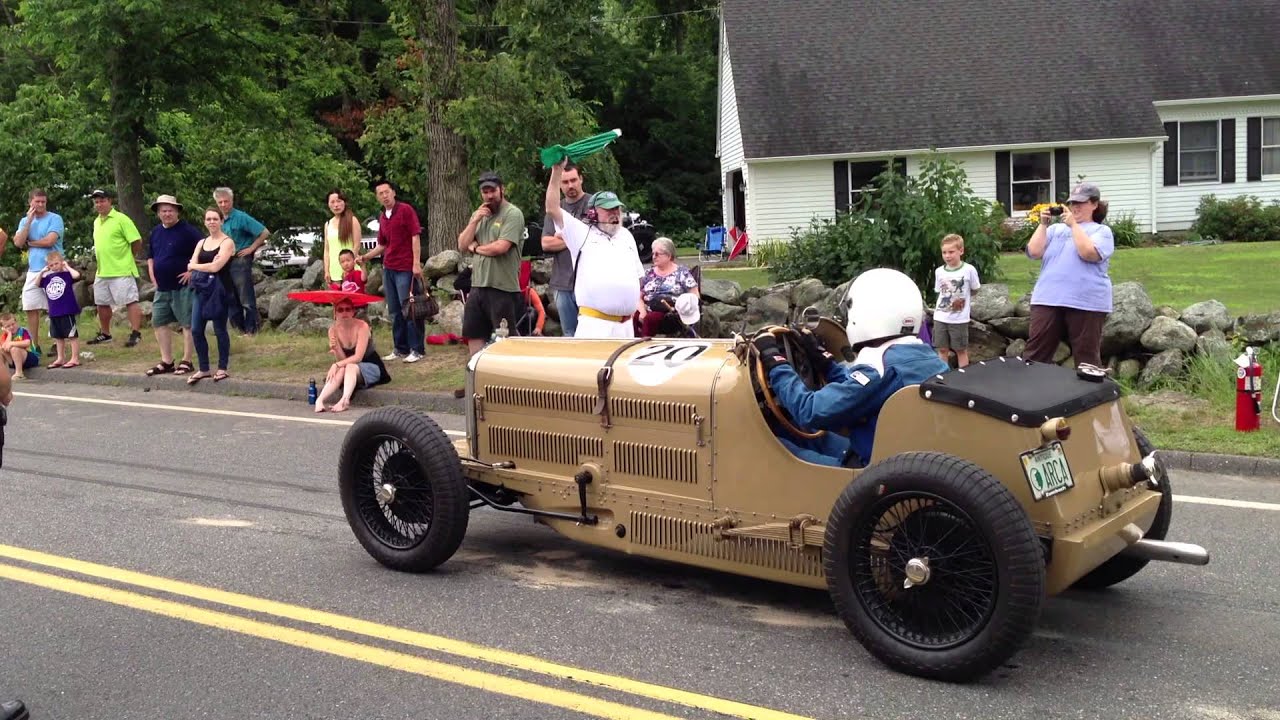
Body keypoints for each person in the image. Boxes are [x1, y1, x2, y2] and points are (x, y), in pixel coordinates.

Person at [752, 268, 950, 468]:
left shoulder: (880, 371)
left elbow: (809, 410)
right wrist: (824, 360)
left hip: (868, 471)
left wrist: (774, 360)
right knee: (799, 432)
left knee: (770, 445)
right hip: (895, 458)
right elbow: (858, 390)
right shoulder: (927, 358)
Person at [543, 161, 645, 339]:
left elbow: (638, 276)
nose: (614, 213)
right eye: (608, 210)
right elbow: (552, 208)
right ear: (593, 213)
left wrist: (640, 304)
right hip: (596, 326)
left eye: (616, 208)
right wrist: (557, 171)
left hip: (627, 326)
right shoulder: (581, 233)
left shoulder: (626, 235)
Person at [1024, 182, 1114, 368]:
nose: (1075, 207)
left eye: (1080, 203)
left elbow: (1088, 253)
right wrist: (1043, 224)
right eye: (1073, 203)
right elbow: (1033, 252)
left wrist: (1073, 226)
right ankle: (1030, 394)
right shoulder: (1054, 230)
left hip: (1087, 301)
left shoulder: (1101, 231)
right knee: (1035, 355)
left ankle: (1092, 396)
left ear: (1094, 204)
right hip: (1048, 298)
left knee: (1087, 356)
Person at [457, 171, 524, 359]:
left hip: (502, 288)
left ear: (501, 190)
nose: (489, 196)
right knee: (474, 335)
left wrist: (477, 248)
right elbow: (462, 244)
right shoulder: (480, 214)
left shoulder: (512, 214)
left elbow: (501, 247)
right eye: (485, 192)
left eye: (492, 191)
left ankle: (509, 381)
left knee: (505, 340)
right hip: (478, 286)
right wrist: (475, 220)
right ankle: (476, 378)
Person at [359, 182, 424, 363]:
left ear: (394, 193)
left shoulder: (405, 210)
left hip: (405, 266)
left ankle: (416, 348)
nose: (385, 196)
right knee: (395, 311)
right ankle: (400, 347)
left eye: (387, 192)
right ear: (377, 197)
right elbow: (382, 244)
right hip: (389, 267)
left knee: (409, 309)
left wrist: (416, 263)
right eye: (380, 193)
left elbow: (415, 235)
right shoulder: (383, 216)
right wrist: (366, 257)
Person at [145, 194, 202, 377]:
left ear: (177, 211)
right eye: (163, 211)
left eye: (170, 210)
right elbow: (151, 256)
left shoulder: (188, 231)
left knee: (187, 323)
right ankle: (167, 361)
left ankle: (187, 360)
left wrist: (192, 271)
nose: (167, 214)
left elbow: (204, 250)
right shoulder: (155, 232)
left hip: (183, 286)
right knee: (159, 322)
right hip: (162, 287)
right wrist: (152, 273)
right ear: (158, 213)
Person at [540, 161, 592, 336]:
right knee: (569, 334)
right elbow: (545, 243)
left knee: (592, 334)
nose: (570, 185)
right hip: (562, 283)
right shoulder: (556, 209)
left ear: (581, 179)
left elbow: (595, 238)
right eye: (565, 182)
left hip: (589, 282)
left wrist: (564, 236)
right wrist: (578, 237)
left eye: (573, 180)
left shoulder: (593, 205)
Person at [87, 188, 143, 347]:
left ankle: (136, 333)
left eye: (102, 201)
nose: (99, 204)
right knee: (101, 302)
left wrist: (129, 257)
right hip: (102, 270)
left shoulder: (121, 219)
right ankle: (105, 333)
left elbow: (137, 241)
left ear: (110, 201)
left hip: (122, 269)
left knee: (130, 301)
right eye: (96, 202)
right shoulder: (96, 221)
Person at [185, 208, 236, 384]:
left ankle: (222, 368)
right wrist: (201, 265)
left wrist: (197, 266)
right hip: (202, 289)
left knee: (219, 329)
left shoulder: (227, 242)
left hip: (220, 289)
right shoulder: (202, 242)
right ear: (204, 222)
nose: (212, 222)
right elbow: (190, 264)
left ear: (222, 221)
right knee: (196, 329)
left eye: (215, 218)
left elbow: (215, 267)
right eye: (209, 219)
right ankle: (204, 368)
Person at [315, 296, 390, 413]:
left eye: (348, 309)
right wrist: (336, 348)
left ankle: (345, 400)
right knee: (342, 369)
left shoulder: (362, 326)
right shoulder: (332, 330)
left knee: (347, 366)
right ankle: (319, 400)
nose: (344, 313)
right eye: (340, 310)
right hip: (350, 368)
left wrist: (336, 364)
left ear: (353, 311)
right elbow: (343, 359)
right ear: (335, 313)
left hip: (370, 364)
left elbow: (358, 357)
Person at [12, 187, 65, 352]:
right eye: (37, 201)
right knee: (30, 305)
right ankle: (35, 345)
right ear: (31, 202)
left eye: (43, 201)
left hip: (53, 267)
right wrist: (28, 221)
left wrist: (32, 243)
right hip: (34, 269)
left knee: (55, 306)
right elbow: (18, 242)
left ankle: (58, 342)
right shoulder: (24, 221)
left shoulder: (55, 218)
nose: (40, 204)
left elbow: (50, 240)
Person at [213, 187, 270, 336]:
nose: (224, 204)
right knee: (230, 297)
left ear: (232, 201)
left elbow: (264, 232)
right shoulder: (217, 219)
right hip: (224, 261)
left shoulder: (241, 217)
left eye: (226, 201)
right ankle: (239, 330)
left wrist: (251, 248)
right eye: (220, 202)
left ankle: (252, 330)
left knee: (245, 296)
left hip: (240, 258)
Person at [932, 233, 981, 368]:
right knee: (942, 349)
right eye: (944, 252)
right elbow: (939, 291)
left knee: (960, 350)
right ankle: (942, 377)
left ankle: (963, 379)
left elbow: (975, 288)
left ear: (961, 251)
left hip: (959, 319)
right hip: (940, 317)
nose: (947, 256)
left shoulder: (969, 270)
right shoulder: (939, 271)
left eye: (951, 252)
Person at [637, 236, 699, 337]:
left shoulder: (681, 273)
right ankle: (630, 346)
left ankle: (645, 346)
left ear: (669, 256)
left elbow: (695, 295)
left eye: (657, 254)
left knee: (651, 319)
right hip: (647, 308)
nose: (653, 257)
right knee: (632, 316)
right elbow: (638, 296)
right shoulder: (649, 273)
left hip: (670, 313)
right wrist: (642, 311)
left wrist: (682, 308)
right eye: (653, 253)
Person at [36, 250, 82, 369]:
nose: (54, 267)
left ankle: (75, 358)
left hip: (66, 310)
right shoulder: (48, 278)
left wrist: (67, 266)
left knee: (72, 335)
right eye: (51, 265)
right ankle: (60, 358)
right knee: (58, 336)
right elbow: (37, 283)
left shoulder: (67, 275)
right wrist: (42, 272)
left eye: (56, 263)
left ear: (61, 262)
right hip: (54, 311)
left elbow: (77, 275)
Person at [323, 189, 362, 287]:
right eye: (332, 202)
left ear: (344, 202)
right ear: (328, 205)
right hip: (334, 272)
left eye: (339, 201)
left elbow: (356, 245)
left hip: (351, 271)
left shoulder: (352, 220)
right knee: (337, 302)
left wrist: (349, 269)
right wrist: (327, 270)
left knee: (353, 301)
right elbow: (327, 250)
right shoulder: (328, 224)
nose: (336, 205)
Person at [0, 313, 40, 380]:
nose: (12, 327)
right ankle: (3, 372)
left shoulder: (23, 331)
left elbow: (27, 343)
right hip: (14, 361)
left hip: (30, 358)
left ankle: (19, 373)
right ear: (3, 328)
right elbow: (5, 348)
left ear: (16, 322)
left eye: (13, 324)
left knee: (14, 349)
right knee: (1, 349)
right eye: (8, 326)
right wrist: (9, 334)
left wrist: (12, 343)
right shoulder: (4, 336)